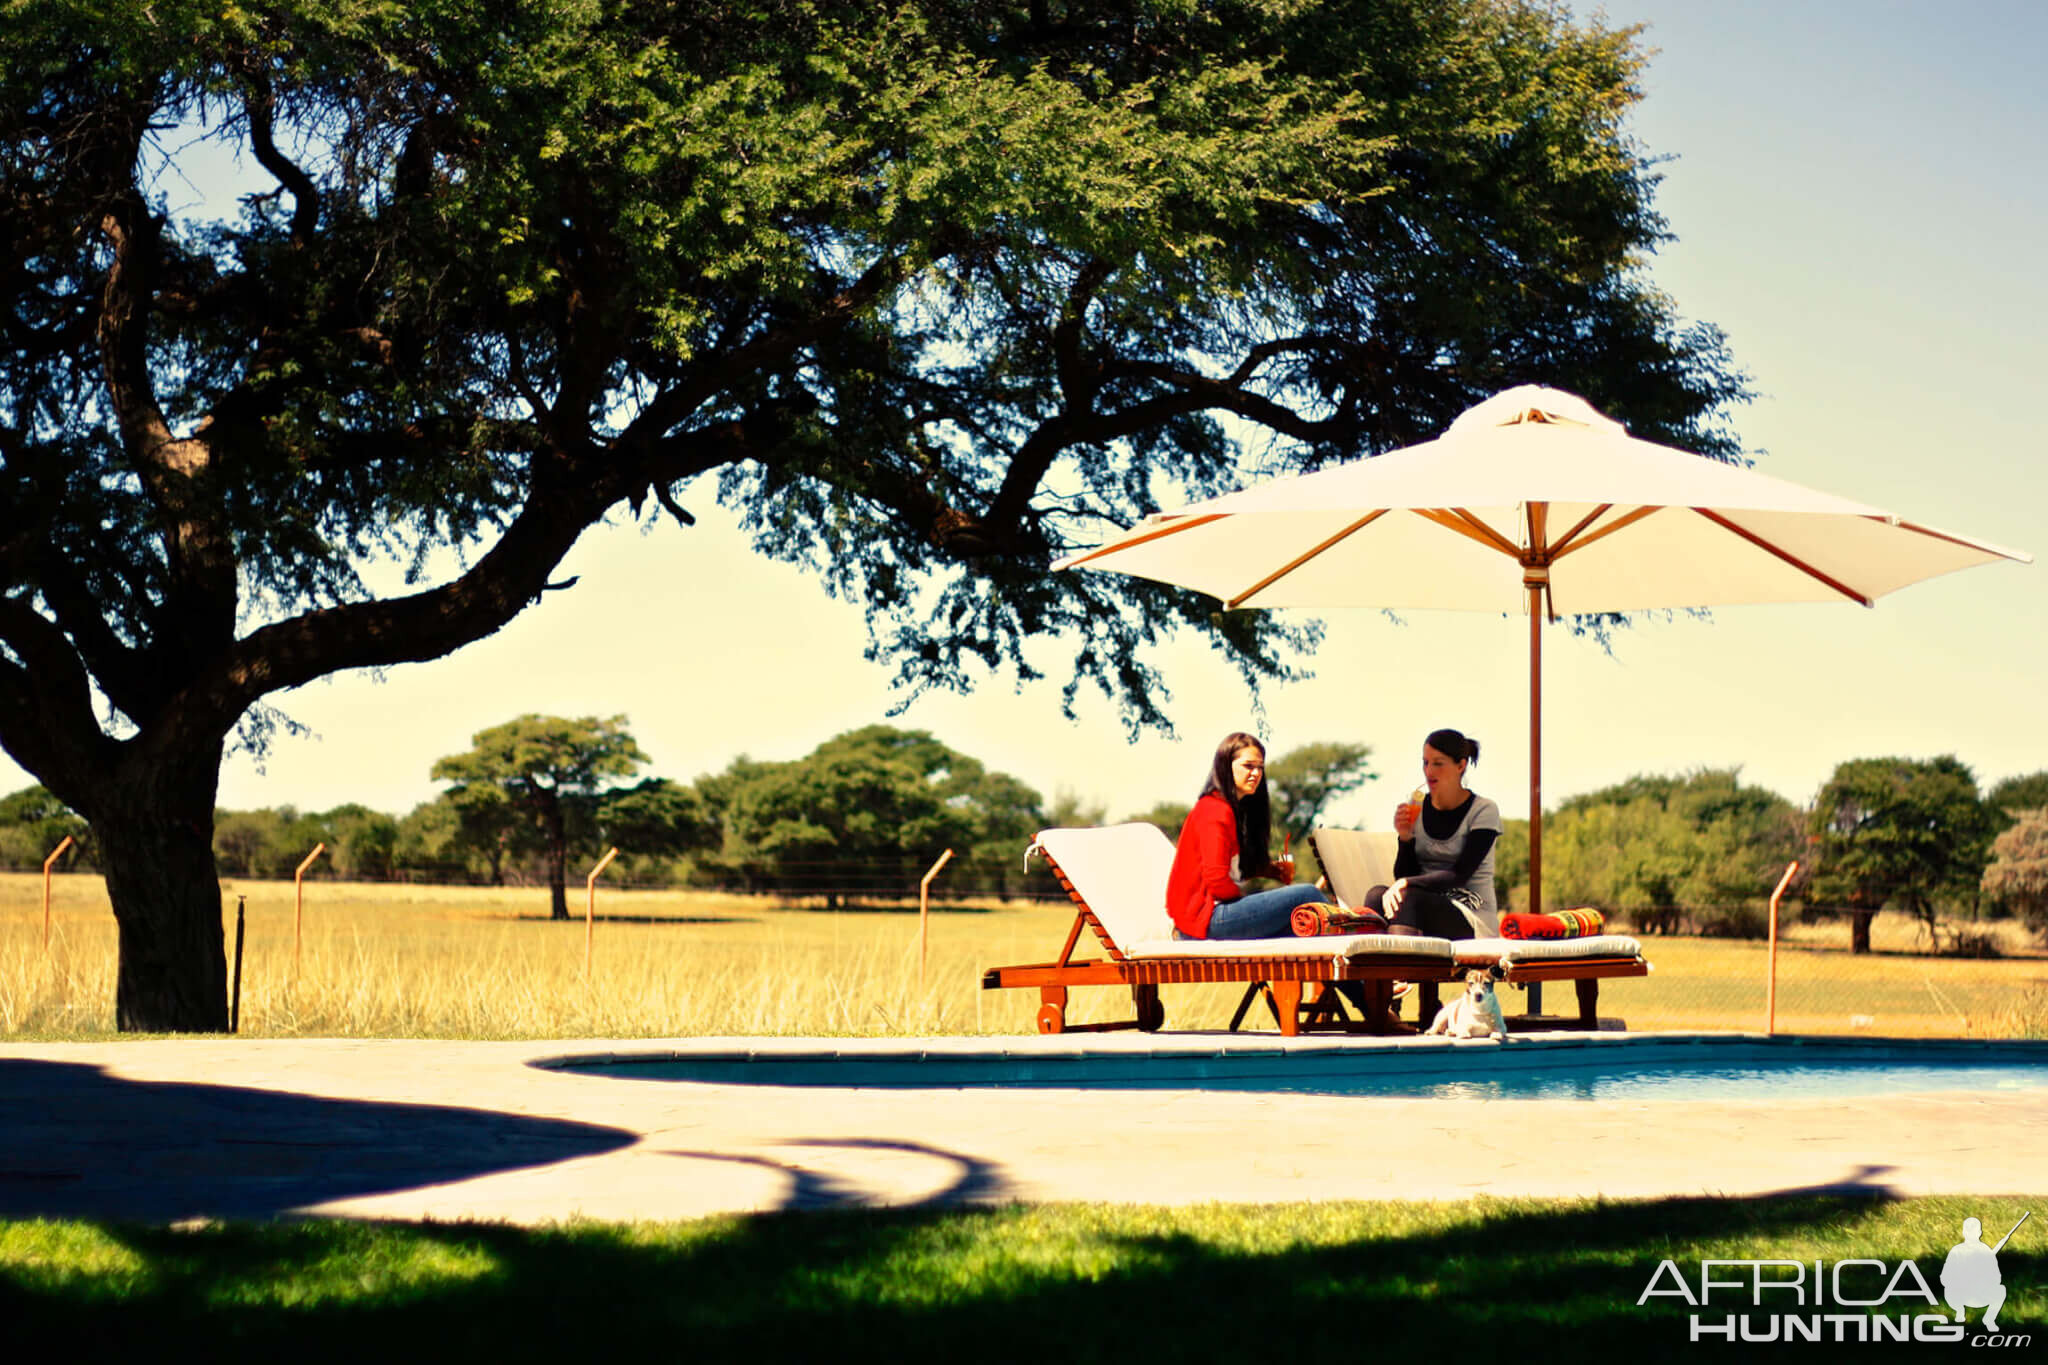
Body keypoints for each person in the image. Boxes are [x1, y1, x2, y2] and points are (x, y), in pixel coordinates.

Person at [1165, 732, 1330, 940]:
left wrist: (1273, 871)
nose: (1256, 773)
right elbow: (1216, 881)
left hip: (1212, 916)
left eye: (1260, 767)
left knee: (1303, 924)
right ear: (1226, 766)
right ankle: (1357, 930)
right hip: (1205, 919)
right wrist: (1249, 904)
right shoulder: (1214, 810)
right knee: (1308, 895)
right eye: (1248, 766)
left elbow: (1234, 869)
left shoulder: (1234, 810)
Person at [1362, 728, 1502, 940]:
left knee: (1408, 897)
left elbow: (1460, 874)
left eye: (1438, 763)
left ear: (1461, 765)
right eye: (1425, 763)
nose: (1429, 771)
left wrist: (1409, 883)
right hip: (1423, 902)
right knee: (1376, 897)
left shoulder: (1483, 810)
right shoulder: (1416, 807)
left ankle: (1403, 970)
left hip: (1470, 912)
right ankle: (1378, 971)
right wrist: (1405, 838)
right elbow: (1404, 874)